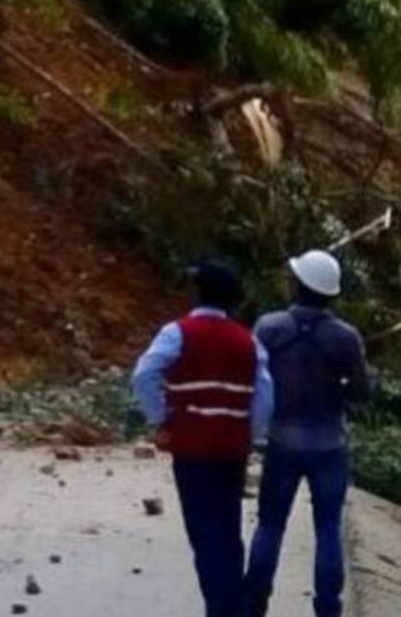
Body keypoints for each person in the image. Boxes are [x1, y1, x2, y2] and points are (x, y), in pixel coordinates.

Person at [132, 259, 274, 617]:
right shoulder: (249, 341)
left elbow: (144, 375)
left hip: (192, 448)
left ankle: (223, 607)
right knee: (227, 528)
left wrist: (162, 418)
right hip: (231, 450)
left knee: (203, 531)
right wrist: (245, 431)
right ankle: (230, 604)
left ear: (198, 292)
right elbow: (266, 398)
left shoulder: (177, 332)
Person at [243, 250, 372, 617]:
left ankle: (253, 603)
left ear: (298, 285)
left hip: (281, 440)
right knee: (328, 528)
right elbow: (361, 394)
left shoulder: (269, 327)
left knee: (269, 524)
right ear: (332, 293)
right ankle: (327, 608)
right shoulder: (346, 338)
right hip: (329, 444)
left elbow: (254, 380)